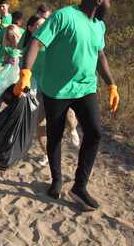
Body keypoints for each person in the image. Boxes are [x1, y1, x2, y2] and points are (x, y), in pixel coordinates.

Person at [13, 0, 120, 210]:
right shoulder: (63, 17)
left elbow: (100, 56)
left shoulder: (98, 25)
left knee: (94, 133)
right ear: (99, 0)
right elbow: (35, 42)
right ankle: (57, 179)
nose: (111, 4)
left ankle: (79, 187)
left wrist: (111, 85)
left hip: (86, 88)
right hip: (57, 90)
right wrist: (25, 72)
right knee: (55, 135)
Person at [20, 15, 80, 167]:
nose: (43, 28)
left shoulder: (54, 41)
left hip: (57, 87)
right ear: (30, 28)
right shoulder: (27, 45)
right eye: (39, 25)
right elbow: (22, 66)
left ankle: (72, 129)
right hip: (37, 90)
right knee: (40, 124)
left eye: (45, 25)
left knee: (68, 114)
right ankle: (46, 153)